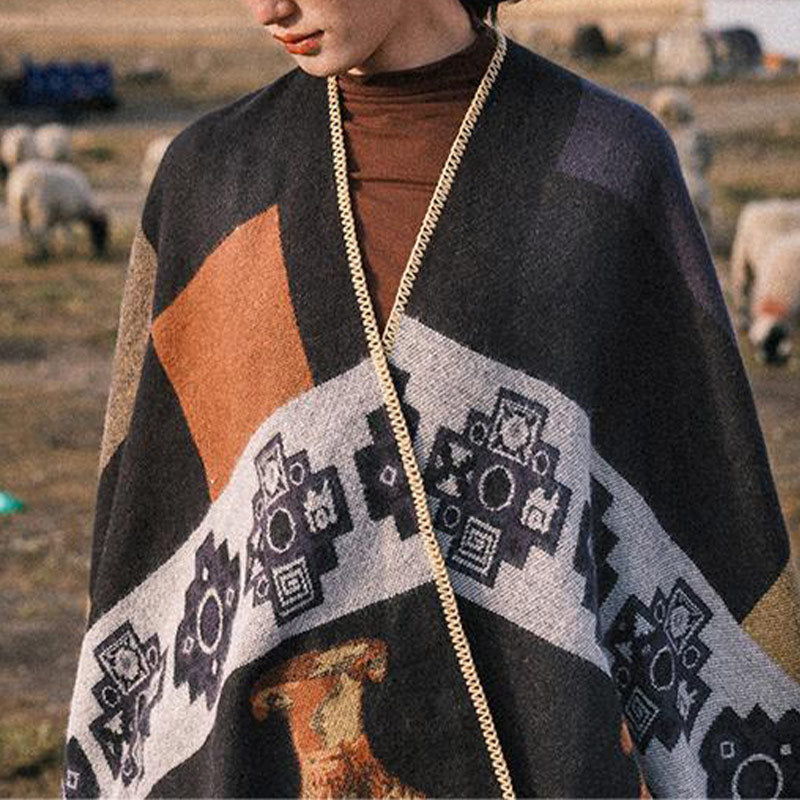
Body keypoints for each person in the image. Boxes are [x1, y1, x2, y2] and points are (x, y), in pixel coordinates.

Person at [61, 1, 800, 798]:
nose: (269, 7)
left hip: (544, 760)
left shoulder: (606, 162)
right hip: (268, 767)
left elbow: (698, 514)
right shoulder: (210, 179)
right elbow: (154, 527)